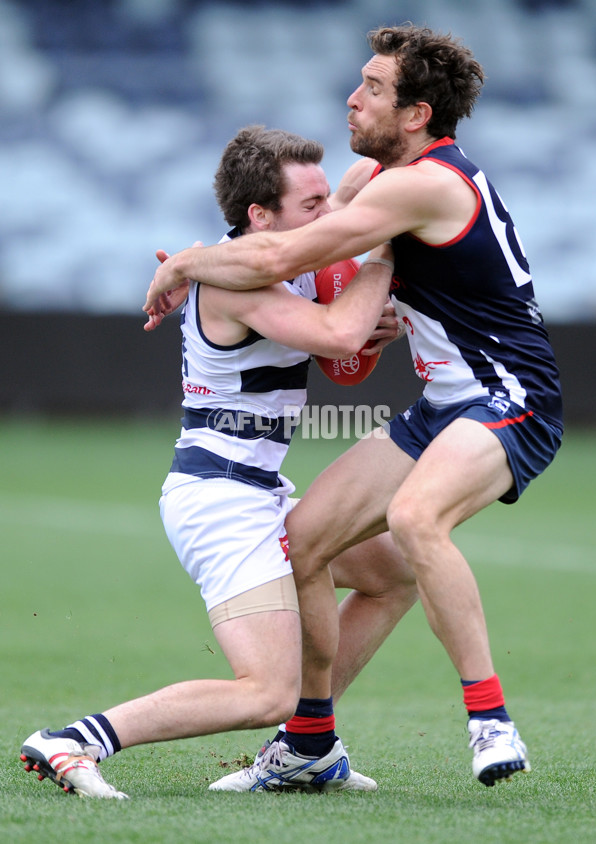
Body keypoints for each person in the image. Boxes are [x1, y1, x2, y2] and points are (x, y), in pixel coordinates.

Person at [143, 24, 563, 789]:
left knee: (413, 520)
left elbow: (278, 256)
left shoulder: (423, 182)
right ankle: (306, 745)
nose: (352, 96)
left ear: (414, 114)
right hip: (445, 403)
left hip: (512, 396)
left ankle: (490, 719)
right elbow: (340, 266)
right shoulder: (390, 181)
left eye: (373, 87)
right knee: (302, 543)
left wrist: (188, 264)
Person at [19, 125, 417, 798]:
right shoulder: (235, 280)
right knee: (263, 691)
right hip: (222, 501)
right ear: (260, 216)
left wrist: (372, 201)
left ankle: (308, 745)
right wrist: (383, 256)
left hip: (257, 487)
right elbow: (341, 333)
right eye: (310, 206)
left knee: (392, 577)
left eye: (324, 199)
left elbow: (353, 195)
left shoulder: (259, 256)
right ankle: (72, 741)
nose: (328, 218)